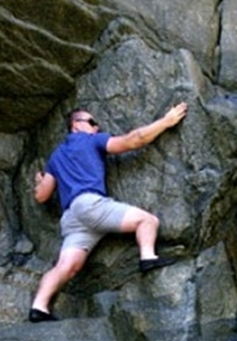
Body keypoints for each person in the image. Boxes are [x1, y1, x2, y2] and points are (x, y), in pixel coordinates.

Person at [28, 102, 189, 322]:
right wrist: (166, 121)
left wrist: (39, 182)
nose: (96, 128)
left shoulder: (56, 157)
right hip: (90, 205)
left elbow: (41, 196)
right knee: (147, 221)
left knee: (67, 266)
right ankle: (148, 258)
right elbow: (134, 139)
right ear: (76, 125)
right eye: (92, 122)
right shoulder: (91, 140)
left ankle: (39, 307)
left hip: (72, 217)